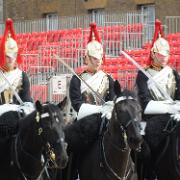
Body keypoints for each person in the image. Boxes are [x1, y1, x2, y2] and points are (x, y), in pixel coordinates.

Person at [136, 19, 180, 180]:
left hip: (174, 116)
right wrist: (170, 107)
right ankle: (150, 173)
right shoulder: (144, 74)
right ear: (153, 54)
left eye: (167, 54)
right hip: (151, 118)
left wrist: (178, 108)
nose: (164, 57)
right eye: (161, 54)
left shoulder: (173, 74)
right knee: (146, 148)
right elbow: (145, 104)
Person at [69, 22, 116, 121]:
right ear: (87, 58)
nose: (98, 61)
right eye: (94, 58)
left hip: (104, 119)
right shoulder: (77, 79)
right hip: (84, 120)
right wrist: (100, 109)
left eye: (99, 58)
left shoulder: (109, 79)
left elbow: (112, 101)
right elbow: (76, 104)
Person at [0, 18, 34, 116]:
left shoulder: (22, 76)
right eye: (8, 56)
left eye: (14, 56)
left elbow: (26, 99)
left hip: (16, 116)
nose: (11, 59)